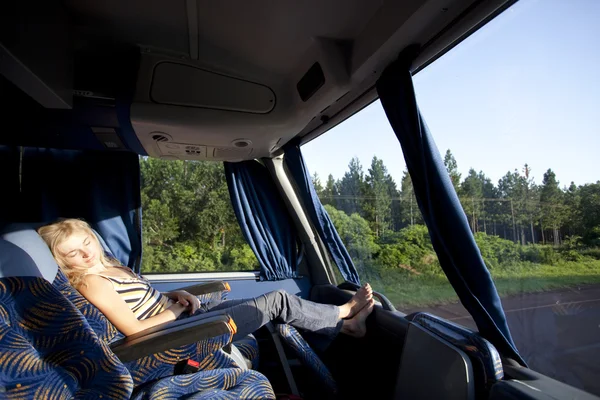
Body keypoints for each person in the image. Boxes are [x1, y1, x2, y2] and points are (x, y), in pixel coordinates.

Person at [38, 219, 374, 344]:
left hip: (185, 315)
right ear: (62, 262)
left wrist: (177, 293)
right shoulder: (90, 282)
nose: (85, 254)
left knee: (276, 303)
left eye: (87, 243)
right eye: (72, 254)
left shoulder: (109, 266)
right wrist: (177, 310)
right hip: (179, 332)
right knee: (278, 300)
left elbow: (142, 298)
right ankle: (344, 312)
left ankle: (346, 328)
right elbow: (135, 330)